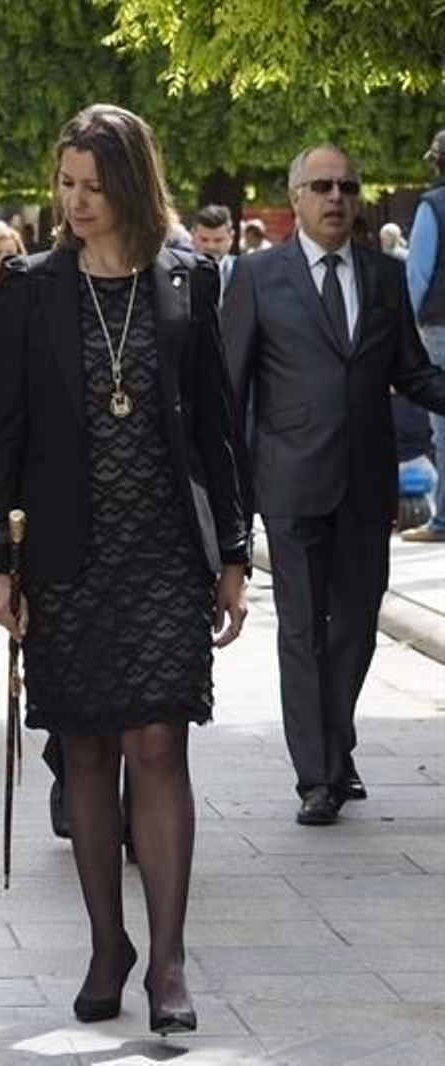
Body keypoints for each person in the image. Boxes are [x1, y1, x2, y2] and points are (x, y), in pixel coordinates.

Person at [0, 104, 251, 1039]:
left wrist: (233, 555)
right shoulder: (30, 285)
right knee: (88, 751)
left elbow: (216, 427)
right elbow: (3, 434)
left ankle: (168, 958)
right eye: (66, 183)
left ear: (133, 183)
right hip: (65, 557)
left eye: (94, 186)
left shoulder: (188, 278)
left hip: (165, 554)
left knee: (159, 747)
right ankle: (109, 945)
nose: (76, 201)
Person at [223, 141, 445, 825]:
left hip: (365, 483)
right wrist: (229, 496)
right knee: (301, 630)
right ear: (295, 198)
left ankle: (336, 745)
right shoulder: (259, 277)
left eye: (347, 186)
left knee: (354, 627)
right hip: (288, 484)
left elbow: (412, 370)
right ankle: (317, 776)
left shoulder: (383, 276)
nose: (336, 198)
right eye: (321, 186)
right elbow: (231, 389)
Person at [402, 128, 445, 543]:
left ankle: (444, 516)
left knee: (443, 425)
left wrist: (407, 326)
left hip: (441, 324)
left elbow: (418, 272)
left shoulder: (433, 204)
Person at [191, 204, 237, 296]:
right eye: (204, 239)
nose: (211, 246)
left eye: (218, 240)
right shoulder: (180, 271)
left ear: (231, 237)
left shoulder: (242, 272)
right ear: (193, 236)